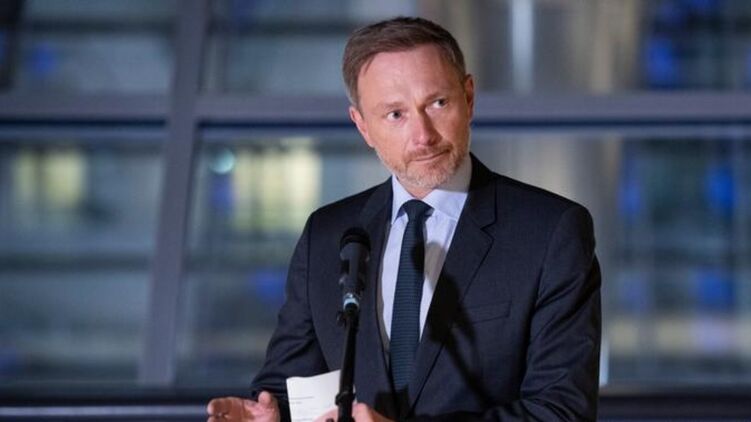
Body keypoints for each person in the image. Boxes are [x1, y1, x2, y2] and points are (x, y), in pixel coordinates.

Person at [207, 16, 601, 422]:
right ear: (363, 126)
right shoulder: (326, 235)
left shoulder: (550, 232)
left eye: (438, 103)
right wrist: (271, 416)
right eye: (395, 114)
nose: (423, 135)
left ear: (469, 98)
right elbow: (292, 387)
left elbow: (561, 411)